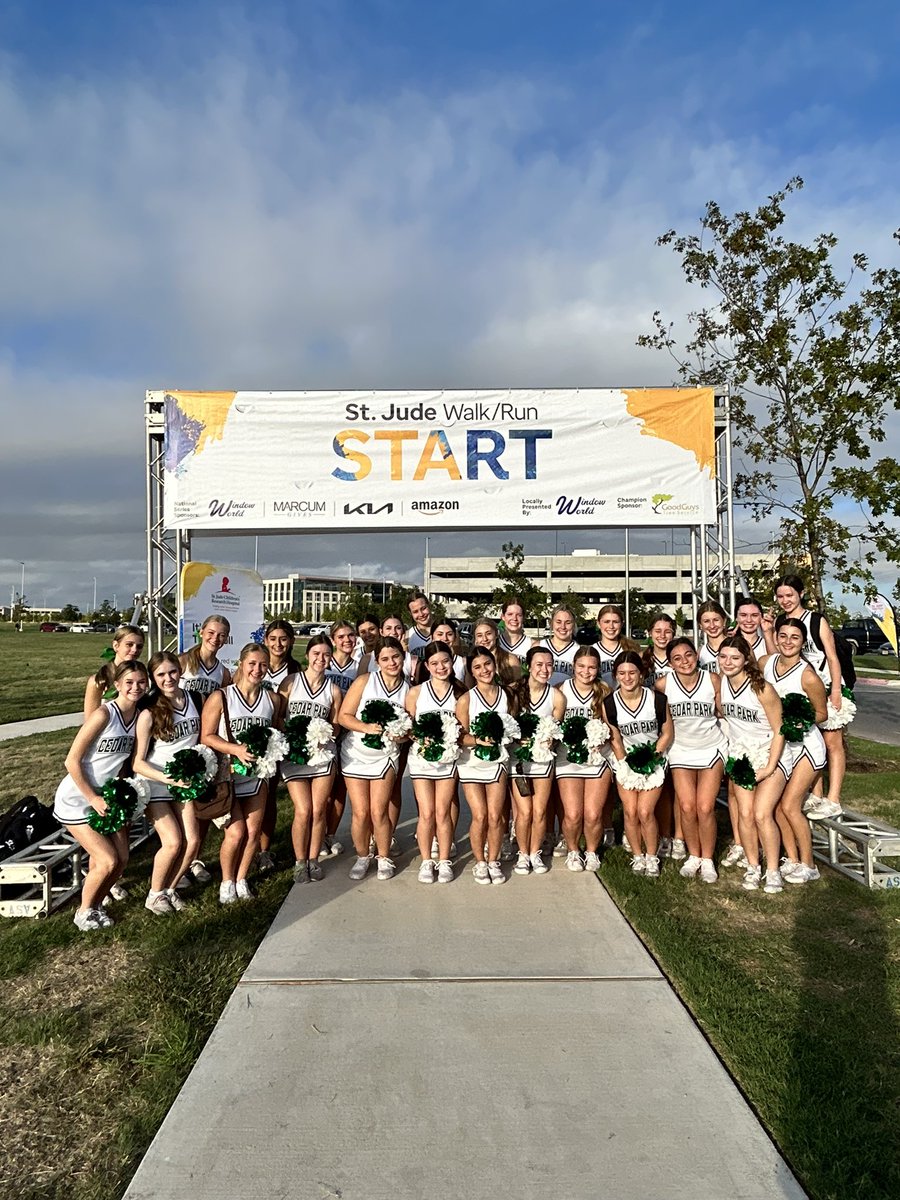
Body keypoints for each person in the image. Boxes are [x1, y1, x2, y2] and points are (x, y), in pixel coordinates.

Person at [54, 661, 149, 931]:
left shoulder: (138, 717)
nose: (135, 687)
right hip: (77, 798)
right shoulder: (104, 714)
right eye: (129, 682)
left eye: (141, 682)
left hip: (107, 797)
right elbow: (71, 761)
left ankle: (95, 906)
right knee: (107, 860)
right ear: (117, 684)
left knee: (122, 860)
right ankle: (83, 912)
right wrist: (92, 798)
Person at [201, 642, 285, 904]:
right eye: (252, 664)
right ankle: (226, 882)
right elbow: (207, 735)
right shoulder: (221, 697)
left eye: (263, 665)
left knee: (253, 831)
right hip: (228, 776)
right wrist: (235, 749)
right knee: (236, 832)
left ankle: (241, 879)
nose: (257, 670)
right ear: (241, 664)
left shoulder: (272, 700)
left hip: (258, 775)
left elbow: (274, 733)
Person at [770, 574, 848, 818]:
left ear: (801, 594)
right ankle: (816, 793)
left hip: (825, 682)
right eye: (780, 596)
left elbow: (832, 656)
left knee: (832, 742)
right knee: (810, 738)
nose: (785, 600)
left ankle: (833, 798)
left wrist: (836, 691)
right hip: (800, 686)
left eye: (790, 595)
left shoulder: (816, 620)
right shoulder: (781, 621)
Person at [133, 653, 204, 913]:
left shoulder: (195, 698)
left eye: (172, 671)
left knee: (193, 842)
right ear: (153, 677)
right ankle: (154, 895)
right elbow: (138, 762)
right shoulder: (148, 711)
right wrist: (167, 777)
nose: (168, 678)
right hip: (155, 782)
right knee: (173, 842)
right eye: (161, 674)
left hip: (184, 782)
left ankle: (170, 889)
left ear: (180, 670)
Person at [717, 633, 789, 894]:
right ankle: (753, 866)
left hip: (771, 754)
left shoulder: (762, 688)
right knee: (745, 814)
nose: (728, 662)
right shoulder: (723, 683)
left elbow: (780, 729)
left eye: (734, 658)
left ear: (746, 659)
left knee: (761, 813)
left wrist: (770, 766)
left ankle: (773, 870)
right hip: (741, 756)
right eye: (723, 657)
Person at [761, 619, 828, 884]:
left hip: (806, 747)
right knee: (778, 806)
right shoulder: (765, 663)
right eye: (784, 636)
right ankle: (793, 858)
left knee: (790, 805)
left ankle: (810, 865)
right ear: (776, 637)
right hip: (781, 746)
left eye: (795, 637)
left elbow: (822, 713)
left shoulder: (807, 675)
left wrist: (799, 719)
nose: (788, 642)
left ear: (803, 642)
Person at [339, 636, 410, 881]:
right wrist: (366, 727)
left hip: (386, 756)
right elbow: (344, 716)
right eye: (385, 659)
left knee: (379, 811)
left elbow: (409, 729)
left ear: (403, 657)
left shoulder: (408, 689)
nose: (392, 663)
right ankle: (362, 856)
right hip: (355, 754)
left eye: (396, 657)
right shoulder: (365, 681)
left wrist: (401, 735)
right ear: (377, 662)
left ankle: (383, 856)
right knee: (360, 812)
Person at [657, 639, 726, 883]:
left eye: (688, 655)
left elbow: (723, 712)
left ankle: (708, 859)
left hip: (711, 748)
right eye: (677, 658)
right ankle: (694, 855)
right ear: (670, 663)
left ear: (696, 655)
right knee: (687, 807)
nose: (684, 661)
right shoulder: (663, 684)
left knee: (705, 807)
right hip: (681, 750)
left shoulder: (713, 679)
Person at [606, 651, 674, 878]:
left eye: (632, 672)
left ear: (641, 674)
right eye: (622, 673)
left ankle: (652, 856)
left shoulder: (657, 699)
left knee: (645, 811)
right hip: (626, 761)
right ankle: (637, 855)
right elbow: (615, 738)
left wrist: (651, 758)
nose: (627, 678)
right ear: (616, 675)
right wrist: (625, 764)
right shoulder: (610, 703)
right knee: (630, 811)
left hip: (653, 760)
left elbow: (667, 733)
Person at [280, 635, 341, 883]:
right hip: (295, 756)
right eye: (316, 653)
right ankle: (299, 861)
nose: (321, 659)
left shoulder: (333, 690)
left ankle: (313, 859)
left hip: (322, 755)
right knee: (303, 810)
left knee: (318, 809)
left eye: (326, 654)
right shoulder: (291, 682)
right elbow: (278, 716)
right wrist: (293, 736)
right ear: (307, 655)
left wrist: (323, 736)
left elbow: (336, 724)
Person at [405, 641, 464, 884]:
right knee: (427, 812)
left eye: (445, 661)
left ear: (452, 662)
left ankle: (445, 860)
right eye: (435, 663)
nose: (441, 667)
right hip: (421, 760)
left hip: (448, 760)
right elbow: (409, 726)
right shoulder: (416, 692)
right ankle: (427, 860)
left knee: (443, 811)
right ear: (427, 666)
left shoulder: (460, 694)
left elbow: (464, 727)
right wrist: (420, 737)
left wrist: (451, 739)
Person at [456, 647, 514, 885]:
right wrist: (478, 740)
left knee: (496, 815)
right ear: (472, 671)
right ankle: (480, 862)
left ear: (495, 664)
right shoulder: (466, 699)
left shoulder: (507, 695)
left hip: (497, 761)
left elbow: (513, 726)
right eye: (477, 667)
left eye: (487, 664)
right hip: (471, 763)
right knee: (480, 815)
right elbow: (460, 736)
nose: (484, 670)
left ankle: (493, 860)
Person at [553, 646, 612, 873]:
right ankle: (573, 850)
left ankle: (592, 852)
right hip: (567, 758)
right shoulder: (561, 690)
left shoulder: (605, 692)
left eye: (591, 667)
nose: (586, 672)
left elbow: (612, 726)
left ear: (598, 669)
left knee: (593, 814)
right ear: (573, 666)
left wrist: (602, 741)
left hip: (597, 758)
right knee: (573, 814)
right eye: (581, 666)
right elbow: (553, 723)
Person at [509, 647, 566, 875]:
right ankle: (523, 854)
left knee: (540, 810)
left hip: (542, 761)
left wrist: (550, 740)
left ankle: (535, 853)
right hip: (518, 760)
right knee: (524, 812)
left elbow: (556, 731)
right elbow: (506, 725)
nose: (545, 669)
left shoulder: (557, 697)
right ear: (529, 666)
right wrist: (517, 738)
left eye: (549, 665)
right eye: (539, 664)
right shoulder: (513, 691)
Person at [257, 619, 301, 872]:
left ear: (291, 641)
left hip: (276, 741)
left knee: (268, 795)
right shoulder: (255, 665)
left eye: (283, 639)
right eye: (272, 639)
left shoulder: (294, 672)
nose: (278, 644)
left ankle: (264, 850)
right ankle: (246, 846)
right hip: (252, 738)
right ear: (265, 640)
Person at [83, 623, 145, 718]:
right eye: (129, 645)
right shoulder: (98, 680)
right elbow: (89, 720)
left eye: (139, 646)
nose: (135, 650)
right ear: (116, 645)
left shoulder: (142, 676)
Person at [179, 614, 232, 700]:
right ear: (201, 632)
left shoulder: (224, 673)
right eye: (211, 633)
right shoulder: (183, 661)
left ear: (226, 639)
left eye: (221, 635)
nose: (215, 638)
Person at [593, 604, 639, 686]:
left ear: (622, 624)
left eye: (615, 622)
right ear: (598, 623)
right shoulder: (592, 651)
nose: (611, 626)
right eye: (606, 622)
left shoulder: (632, 650)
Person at [535, 604, 579, 687]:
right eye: (558, 622)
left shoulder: (579, 651)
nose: (563, 627)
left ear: (573, 625)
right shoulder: (538, 646)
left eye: (568, 623)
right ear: (551, 623)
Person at [470, 617, 521, 685]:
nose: (485, 639)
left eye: (488, 633)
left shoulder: (511, 660)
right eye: (479, 635)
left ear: (496, 634)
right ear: (475, 639)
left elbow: (518, 687)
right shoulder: (470, 662)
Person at [642, 613, 676, 685]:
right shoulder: (640, 658)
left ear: (673, 635)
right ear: (650, 633)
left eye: (667, 632)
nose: (662, 635)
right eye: (658, 631)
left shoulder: (680, 659)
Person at [697, 600, 729, 673]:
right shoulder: (700, 653)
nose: (712, 626)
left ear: (724, 621)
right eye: (706, 621)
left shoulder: (739, 645)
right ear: (700, 625)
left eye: (716, 620)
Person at [498, 598, 531, 666]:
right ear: (503, 617)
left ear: (523, 618)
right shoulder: (494, 644)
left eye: (519, 615)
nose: (514, 618)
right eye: (510, 614)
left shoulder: (532, 645)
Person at [406, 592, 434, 661]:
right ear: (410, 613)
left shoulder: (446, 632)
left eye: (423, 608)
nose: (421, 614)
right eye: (415, 611)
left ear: (429, 605)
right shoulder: (407, 636)